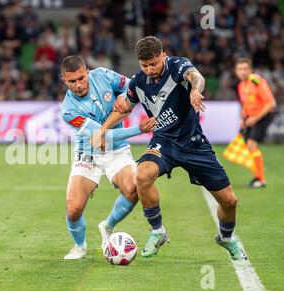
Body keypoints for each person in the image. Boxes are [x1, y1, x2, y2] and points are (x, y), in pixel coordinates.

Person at [97, 36, 247, 260]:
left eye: (153, 64)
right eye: (144, 65)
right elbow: (125, 108)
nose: (149, 69)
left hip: (193, 143)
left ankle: (226, 238)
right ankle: (157, 231)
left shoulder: (178, 66)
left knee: (229, 201)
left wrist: (195, 90)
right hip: (164, 142)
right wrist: (102, 130)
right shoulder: (138, 82)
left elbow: (196, 77)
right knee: (142, 175)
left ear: (163, 56)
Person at [60, 55, 155, 259]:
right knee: (74, 208)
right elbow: (103, 134)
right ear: (64, 81)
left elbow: (131, 85)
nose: (78, 85)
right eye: (72, 81)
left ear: (87, 72)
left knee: (133, 188)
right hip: (88, 152)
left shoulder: (102, 75)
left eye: (81, 78)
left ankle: (108, 226)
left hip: (117, 150)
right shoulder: (68, 110)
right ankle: (79, 246)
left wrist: (123, 95)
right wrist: (138, 129)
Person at [235, 57, 277, 188]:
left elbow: (271, 104)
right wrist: (243, 118)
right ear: (236, 71)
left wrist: (255, 119)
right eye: (240, 69)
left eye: (245, 69)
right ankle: (257, 176)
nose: (242, 72)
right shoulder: (241, 85)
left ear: (251, 70)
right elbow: (246, 104)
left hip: (264, 115)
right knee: (249, 146)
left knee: (252, 144)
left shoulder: (257, 82)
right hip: (251, 118)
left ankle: (260, 179)